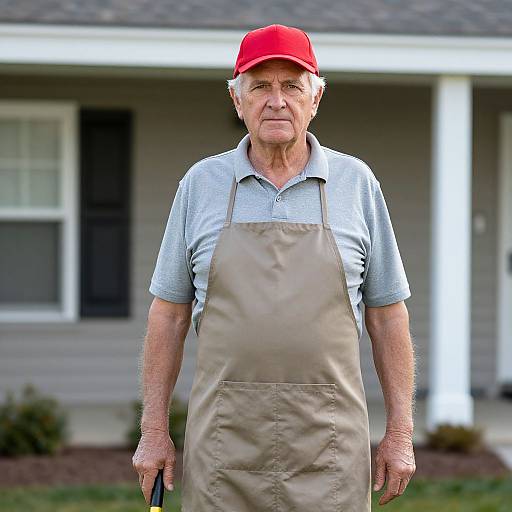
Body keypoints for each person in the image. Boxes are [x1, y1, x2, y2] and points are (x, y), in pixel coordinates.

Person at [133, 23, 416, 511]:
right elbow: (169, 314)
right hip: (224, 445)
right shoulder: (201, 184)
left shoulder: (357, 184)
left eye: (292, 85)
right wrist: (153, 430)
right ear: (237, 100)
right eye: (260, 86)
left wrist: (401, 432)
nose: (276, 100)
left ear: (316, 97)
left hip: (330, 447)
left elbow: (387, 315)